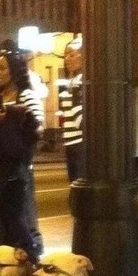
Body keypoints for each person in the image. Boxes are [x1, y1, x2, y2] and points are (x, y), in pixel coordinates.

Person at [0, 50, 44, 263]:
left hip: (17, 172)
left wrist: (5, 121)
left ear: (15, 70)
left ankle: (29, 269)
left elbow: (35, 132)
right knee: (1, 229)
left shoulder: (26, 95)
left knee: (21, 227)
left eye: (3, 68)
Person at [59, 34, 83, 182]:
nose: (67, 59)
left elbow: (80, 119)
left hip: (79, 144)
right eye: (66, 55)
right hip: (72, 144)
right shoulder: (72, 82)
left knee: (79, 191)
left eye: (72, 54)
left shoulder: (79, 83)